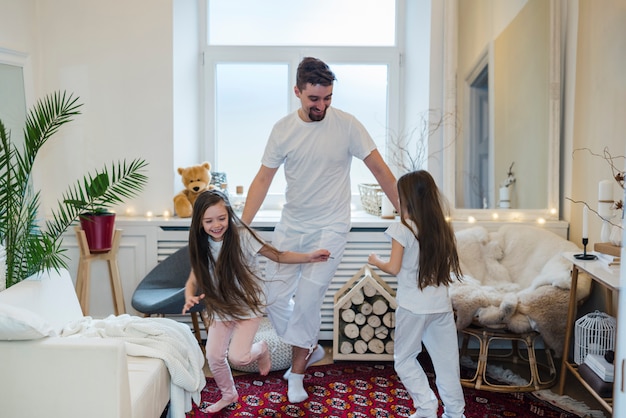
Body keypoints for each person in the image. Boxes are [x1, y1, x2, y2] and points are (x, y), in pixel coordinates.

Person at [241, 56, 399, 403]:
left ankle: (296, 375)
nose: (322, 105)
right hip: (292, 225)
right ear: (297, 91)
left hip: (332, 226)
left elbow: (380, 170)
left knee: (309, 299)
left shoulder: (347, 125)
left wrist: (408, 213)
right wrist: (242, 224)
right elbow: (263, 179)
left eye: (328, 98)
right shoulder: (282, 130)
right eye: (314, 99)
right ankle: (308, 344)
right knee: (273, 297)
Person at [183, 190, 330, 413]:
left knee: (238, 357)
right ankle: (229, 394)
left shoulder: (244, 237)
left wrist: (308, 256)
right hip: (221, 310)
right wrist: (188, 295)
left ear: (229, 215)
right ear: (199, 223)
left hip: (247, 308)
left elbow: (278, 255)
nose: (216, 225)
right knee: (213, 356)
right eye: (209, 221)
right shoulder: (201, 244)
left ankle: (261, 349)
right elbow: (194, 276)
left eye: (221, 218)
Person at [368, 170, 465, 418]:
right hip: (440, 307)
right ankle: (455, 413)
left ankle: (426, 406)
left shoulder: (402, 229)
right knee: (447, 365)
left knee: (404, 359)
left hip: (412, 308)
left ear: (408, 199)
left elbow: (393, 267)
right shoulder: (441, 228)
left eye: (399, 197)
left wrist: (375, 260)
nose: (397, 202)